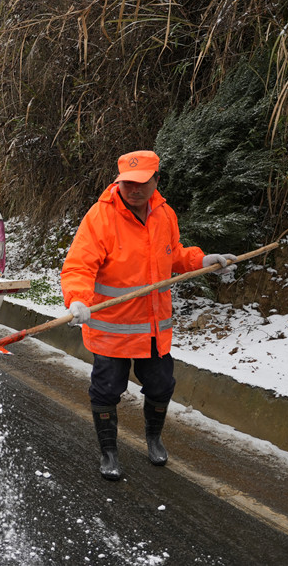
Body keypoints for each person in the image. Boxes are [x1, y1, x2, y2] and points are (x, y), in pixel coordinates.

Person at [60, 150, 236, 481]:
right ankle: (109, 451)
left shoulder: (164, 214)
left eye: (141, 183)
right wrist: (77, 300)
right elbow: (78, 266)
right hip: (111, 328)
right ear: (118, 181)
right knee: (107, 390)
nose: (134, 190)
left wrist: (201, 260)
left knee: (161, 385)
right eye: (127, 183)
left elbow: (173, 257)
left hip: (153, 327)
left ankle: (153, 437)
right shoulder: (101, 217)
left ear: (156, 180)